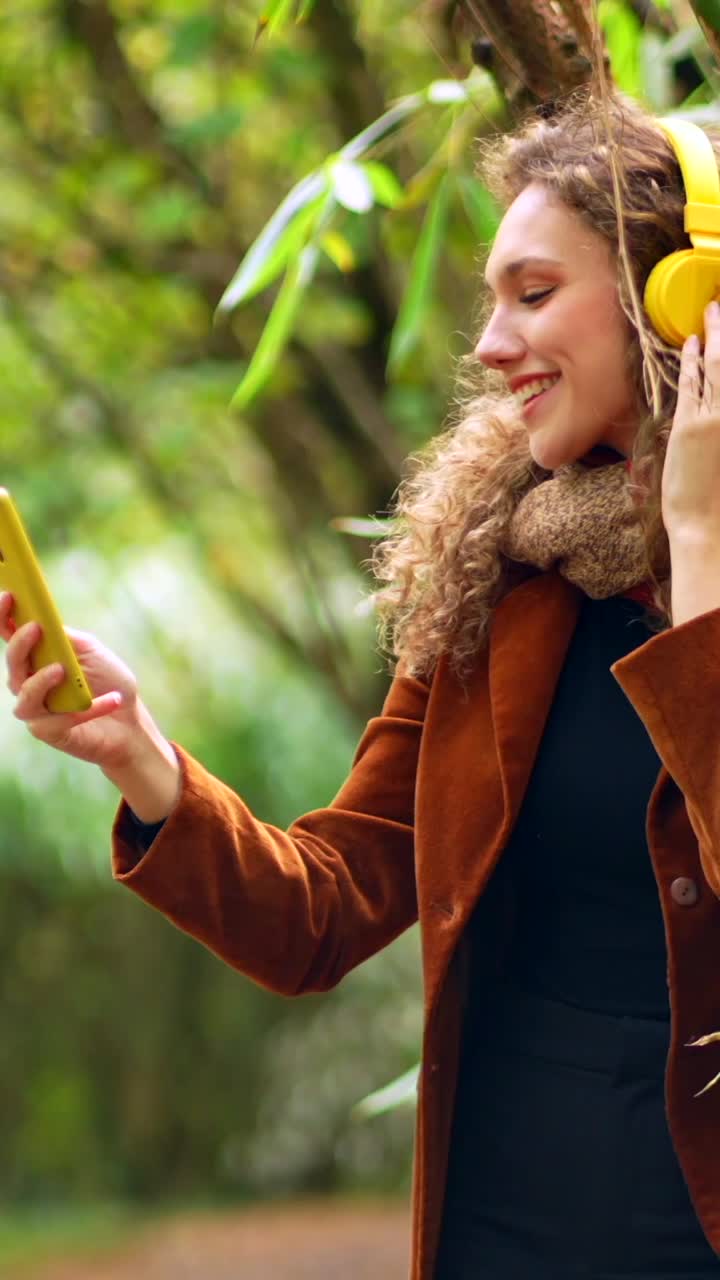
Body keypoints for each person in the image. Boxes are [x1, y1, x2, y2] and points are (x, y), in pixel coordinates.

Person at [3, 83, 720, 1279]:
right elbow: (318, 915)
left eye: (533, 294)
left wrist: (698, 539)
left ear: (679, 301)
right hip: (499, 1226)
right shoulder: (499, 574)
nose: (490, 345)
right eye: (490, 299)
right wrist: (145, 762)